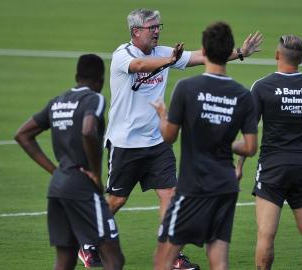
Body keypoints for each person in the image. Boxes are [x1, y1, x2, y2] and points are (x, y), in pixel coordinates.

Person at [77, 8, 263, 270]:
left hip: (156, 142)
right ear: (135, 32)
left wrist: (240, 53)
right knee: (117, 199)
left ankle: (173, 253)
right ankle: (87, 241)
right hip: (125, 143)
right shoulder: (123, 55)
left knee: (170, 195)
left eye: (157, 27)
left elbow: (204, 56)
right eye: (151, 27)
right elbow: (140, 66)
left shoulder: (165, 53)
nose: (156, 31)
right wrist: (169, 61)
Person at [151, 21, 258, 270]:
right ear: (229, 49)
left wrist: (162, 117)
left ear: (204, 51)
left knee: (163, 260)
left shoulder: (187, 88)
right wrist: (225, 145)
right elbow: (251, 147)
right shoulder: (242, 95)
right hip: (225, 185)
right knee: (218, 260)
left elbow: (169, 137)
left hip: (192, 187)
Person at [14, 54, 125, 270]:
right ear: (101, 80)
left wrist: (55, 171)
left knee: (65, 260)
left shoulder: (57, 101)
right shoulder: (95, 98)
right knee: (114, 259)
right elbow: (88, 130)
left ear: (76, 76)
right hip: (82, 187)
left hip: (57, 187)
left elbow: (23, 135)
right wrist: (94, 172)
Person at [239, 35, 302, 270]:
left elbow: (249, 129)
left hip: (272, 168)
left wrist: (239, 166)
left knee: (266, 235)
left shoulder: (262, 86)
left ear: (277, 55)